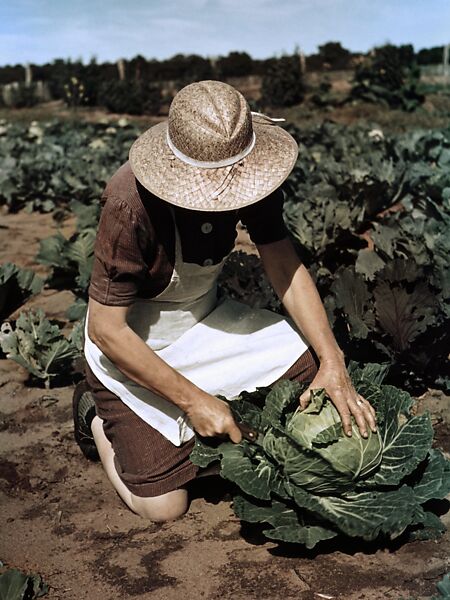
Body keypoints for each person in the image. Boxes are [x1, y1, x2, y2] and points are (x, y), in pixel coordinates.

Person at [73, 80, 376, 523]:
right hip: (134, 345)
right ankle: (98, 416)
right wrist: (194, 401)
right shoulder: (128, 204)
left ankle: (205, 409)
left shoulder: (252, 173)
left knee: (311, 369)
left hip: (205, 319)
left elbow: (282, 263)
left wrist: (334, 359)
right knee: (164, 507)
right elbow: (106, 330)